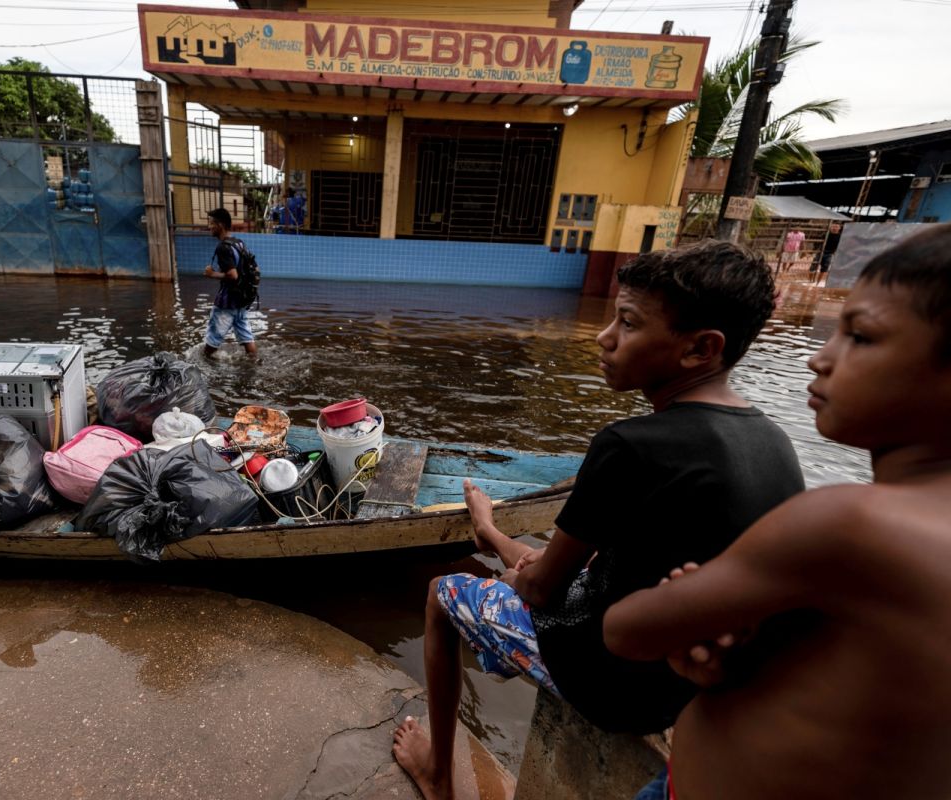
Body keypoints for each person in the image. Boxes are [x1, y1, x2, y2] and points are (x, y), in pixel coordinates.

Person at [392, 241, 805, 800]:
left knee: (444, 593)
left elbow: (539, 589)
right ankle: (487, 529)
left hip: (615, 684)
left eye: (628, 323)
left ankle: (439, 776)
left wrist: (520, 579)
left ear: (700, 349)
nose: (603, 336)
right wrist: (495, 539)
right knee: (557, 563)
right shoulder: (774, 442)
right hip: (686, 684)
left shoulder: (629, 446)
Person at [606, 223, 951, 800]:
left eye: (861, 337)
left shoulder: (851, 523)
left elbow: (628, 629)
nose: (819, 358)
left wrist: (686, 606)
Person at [202, 207, 258, 358]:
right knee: (247, 339)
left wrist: (212, 274)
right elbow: (255, 268)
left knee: (211, 343)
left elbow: (232, 275)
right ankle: (253, 364)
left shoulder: (223, 247)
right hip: (241, 301)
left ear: (220, 225)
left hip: (226, 303)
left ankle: (205, 369)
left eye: (211, 223)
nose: (209, 227)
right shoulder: (239, 243)